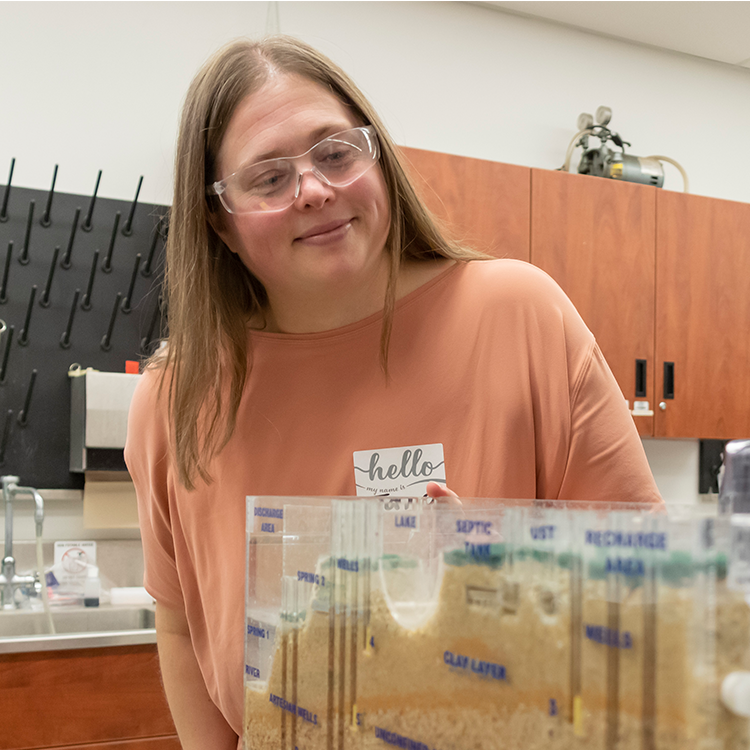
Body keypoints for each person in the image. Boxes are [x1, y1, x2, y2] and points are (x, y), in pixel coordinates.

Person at [125, 35, 661, 750]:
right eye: (268, 177)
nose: (314, 188)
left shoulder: (518, 317)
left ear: (376, 157)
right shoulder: (175, 398)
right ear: (219, 221)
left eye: (335, 153)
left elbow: (650, 593)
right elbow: (182, 625)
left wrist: (506, 598)